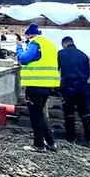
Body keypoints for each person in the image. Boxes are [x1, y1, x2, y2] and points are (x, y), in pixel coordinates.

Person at [16, 23, 59, 152]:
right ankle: (51, 142)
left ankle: (39, 144)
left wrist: (19, 48)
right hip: (47, 85)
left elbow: (24, 59)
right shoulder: (49, 44)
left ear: (30, 35)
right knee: (41, 114)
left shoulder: (35, 44)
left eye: (27, 37)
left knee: (36, 116)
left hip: (35, 84)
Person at [57, 36, 90, 148]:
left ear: (64, 44)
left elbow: (57, 69)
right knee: (85, 114)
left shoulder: (61, 54)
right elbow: (88, 74)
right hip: (82, 87)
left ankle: (71, 140)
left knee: (69, 114)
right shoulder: (83, 55)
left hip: (68, 87)